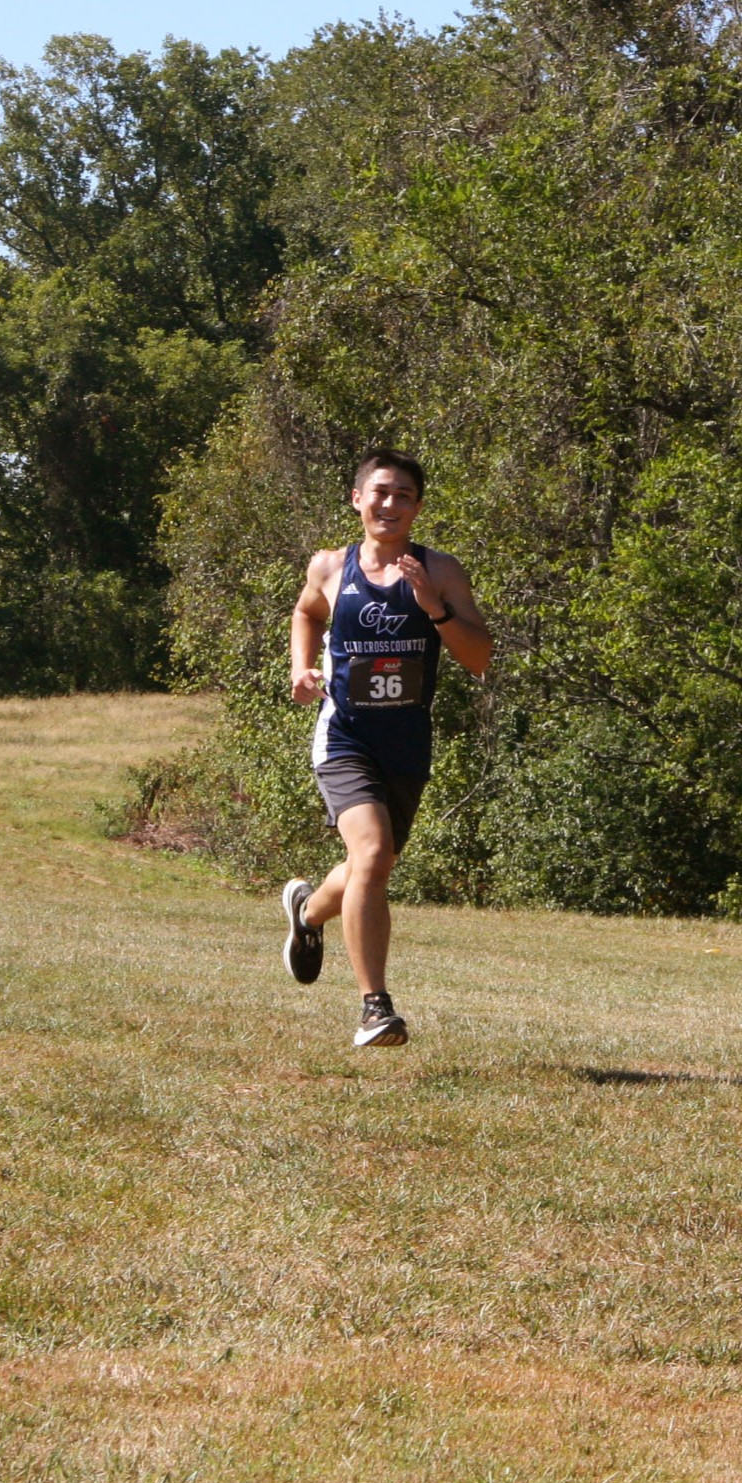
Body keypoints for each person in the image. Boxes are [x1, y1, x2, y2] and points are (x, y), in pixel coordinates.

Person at [279, 447, 493, 1046]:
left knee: (369, 866)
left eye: (403, 495)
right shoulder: (329, 566)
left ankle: (308, 912)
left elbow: (479, 658)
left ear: (417, 507)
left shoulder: (442, 570)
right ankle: (375, 1008)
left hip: (407, 740)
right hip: (345, 734)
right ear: (357, 499)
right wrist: (301, 668)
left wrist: (436, 610)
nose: (390, 504)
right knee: (372, 856)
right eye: (380, 492)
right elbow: (306, 611)